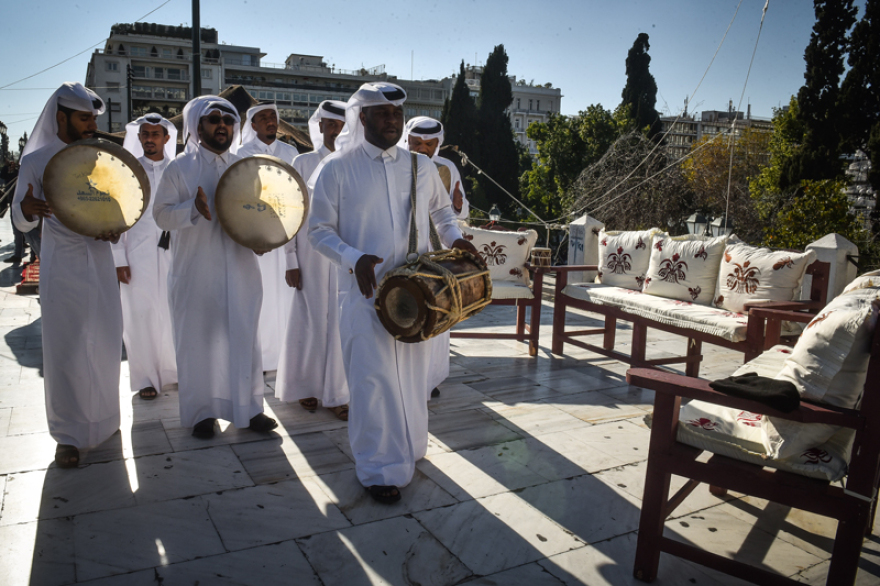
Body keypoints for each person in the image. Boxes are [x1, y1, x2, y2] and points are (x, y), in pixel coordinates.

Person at [308, 82, 477, 503]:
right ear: (361, 117)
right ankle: (378, 470)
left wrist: (454, 237)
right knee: (371, 381)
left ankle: (410, 449)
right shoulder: (336, 169)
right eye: (381, 114)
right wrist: (353, 256)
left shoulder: (419, 166)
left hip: (416, 294)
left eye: (395, 114)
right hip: (364, 294)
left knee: (410, 377)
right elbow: (318, 231)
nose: (391, 121)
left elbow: (441, 210)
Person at [153, 96, 277, 439]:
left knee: (244, 339)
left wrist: (260, 238)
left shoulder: (245, 166)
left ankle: (250, 410)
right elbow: (160, 215)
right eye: (214, 119)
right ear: (197, 125)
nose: (222, 125)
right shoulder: (179, 167)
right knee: (197, 343)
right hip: (195, 273)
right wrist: (191, 208)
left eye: (227, 120)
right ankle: (201, 413)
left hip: (241, 270)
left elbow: (256, 212)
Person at [12, 82, 121, 468]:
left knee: (106, 343)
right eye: (83, 117)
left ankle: (106, 421)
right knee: (66, 348)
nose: (91, 124)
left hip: (102, 261)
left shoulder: (103, 157)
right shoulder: (36, 161)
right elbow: (21, 222)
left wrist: (116, 227)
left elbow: (117, 205)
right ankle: (68, 435)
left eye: (94, 117)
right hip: (63, 266)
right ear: (61, 117)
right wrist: (26, 209)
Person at [276, 100, 350, 419]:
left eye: (343, 125)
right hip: (310, 253)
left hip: (347, 256)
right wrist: (290, 259)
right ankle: (305, 387)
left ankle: (338, 394)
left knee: (342, 324)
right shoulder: (302, 162)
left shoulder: (355, 163)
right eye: (331, 124)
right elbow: (288, 213)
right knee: (309, 320)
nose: (337, 131)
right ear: (320, 126)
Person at [399, 117, 471, 399]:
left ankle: (430, 378)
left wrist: (456, 204)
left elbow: (458, 213)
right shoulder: (396, 164)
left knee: (436, 310)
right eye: (416, 143)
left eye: (429, 144)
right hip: (404, 244)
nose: (422, 148)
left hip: (437, 246)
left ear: (438, 144)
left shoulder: (448, 167)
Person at [113, 114, 178, 401]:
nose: (150, 139)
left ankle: (175, 372)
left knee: (173, 312)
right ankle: (145, 379)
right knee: (139, 315)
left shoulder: (178, 169)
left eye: (156, 134)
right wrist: (118, 258)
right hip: (135, 254)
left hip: (175, 254)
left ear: (166, 138)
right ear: (139, 138)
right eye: (145, 134)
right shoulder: (127, 171)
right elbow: (115, 217)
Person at [234, 103, 300, 372]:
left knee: (285, 299)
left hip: (286, 234)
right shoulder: (242, 155)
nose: (270, 122)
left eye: (273, 117)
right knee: (259, 297)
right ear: (253, 126)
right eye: (263, 118)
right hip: (255, 236)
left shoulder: (291, 152)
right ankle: (260, 359)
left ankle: (285, 359)